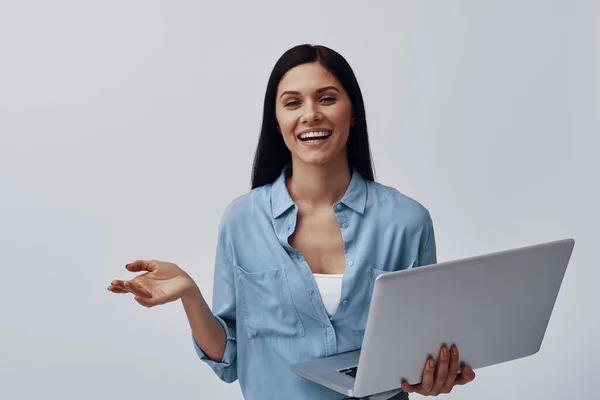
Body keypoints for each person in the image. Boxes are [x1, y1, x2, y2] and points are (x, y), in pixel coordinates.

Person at [108, 44, 476, 400]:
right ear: (277, 119)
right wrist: (190, 293)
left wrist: (434, 375)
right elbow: (229, 360)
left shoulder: (407, 222)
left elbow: (421, 351)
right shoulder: (242, 219)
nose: (311, 114)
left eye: (327, 98)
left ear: (353, 112)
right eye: (293, 102)